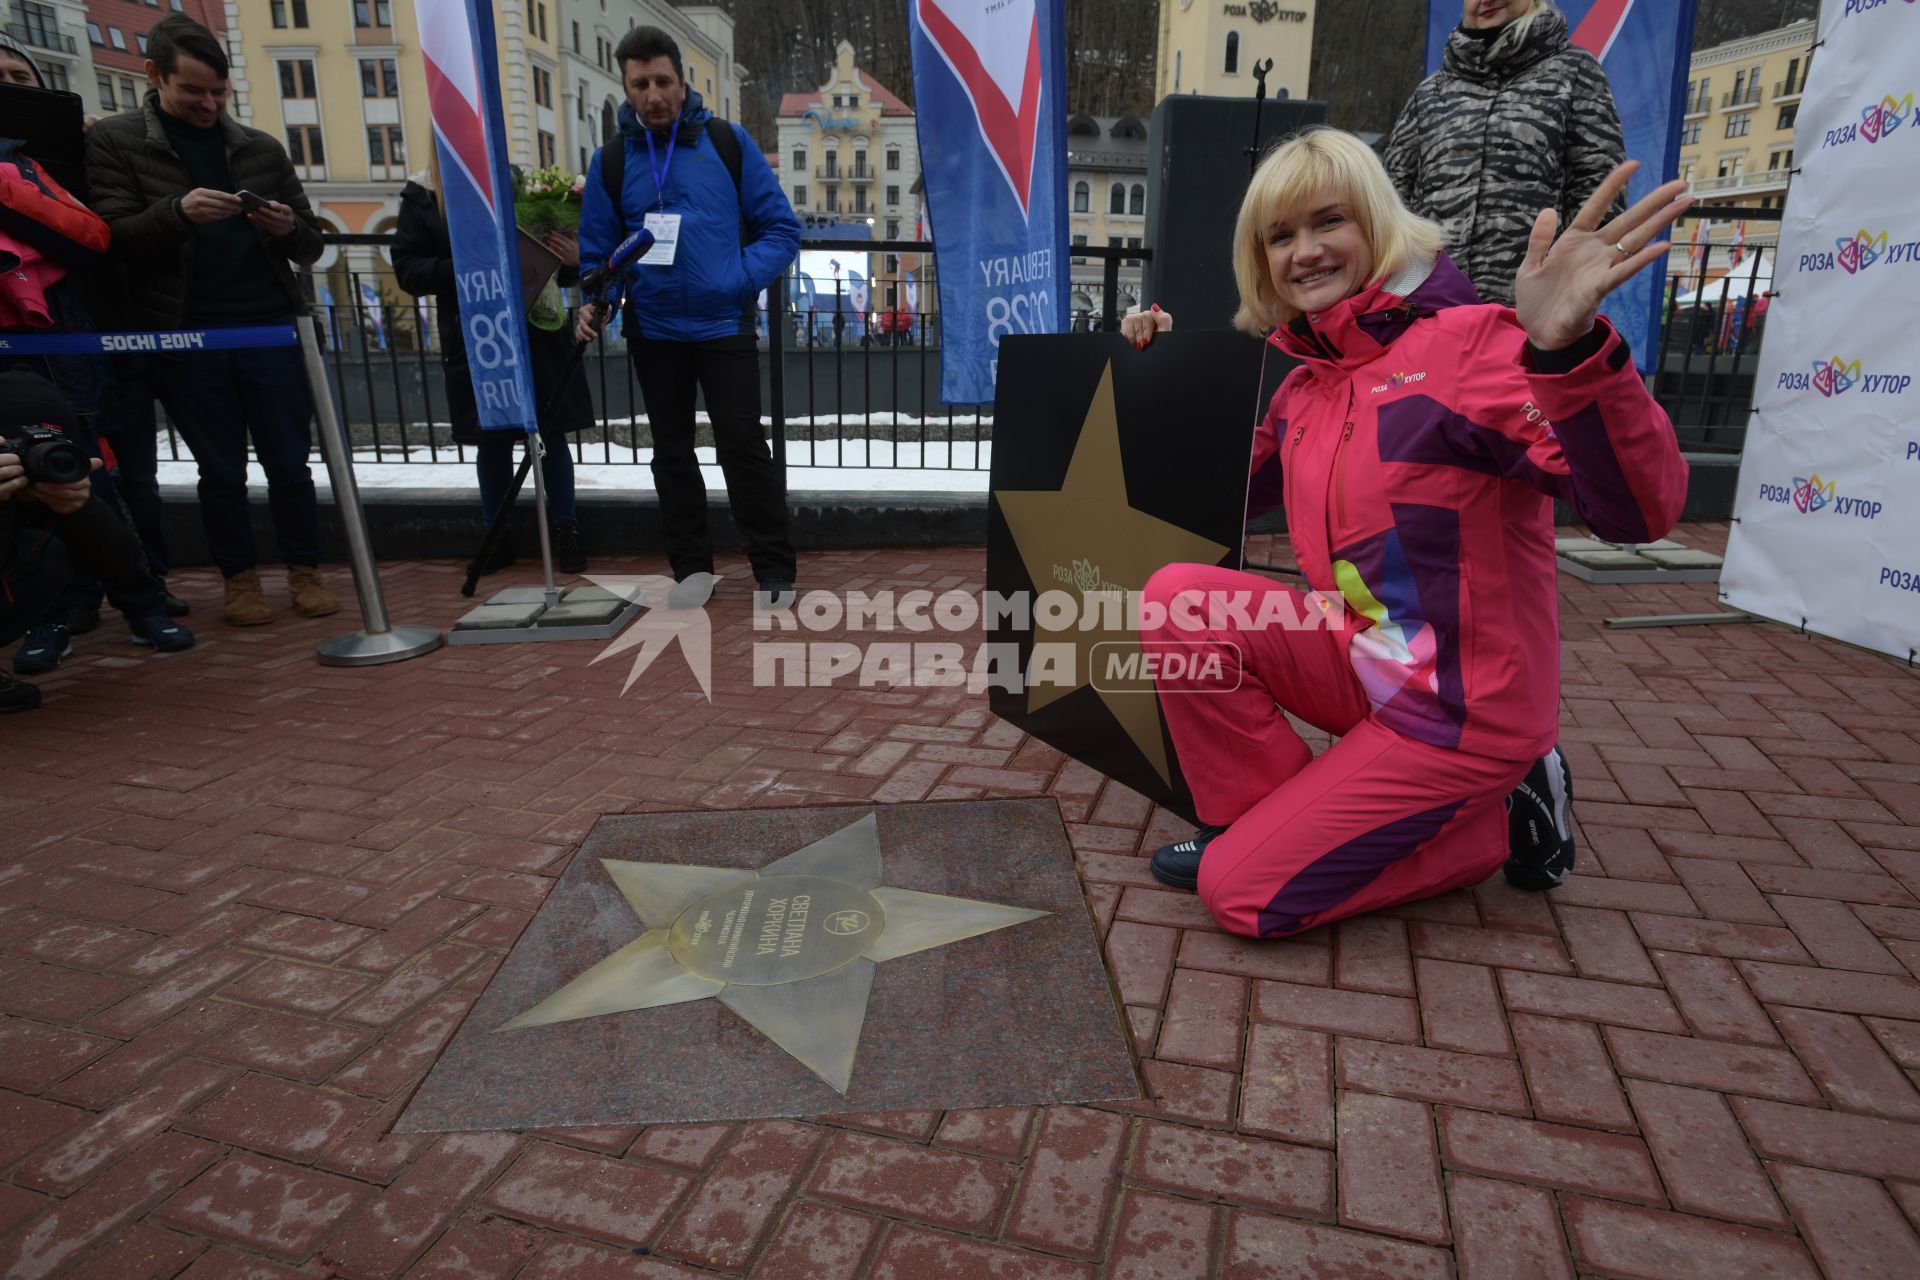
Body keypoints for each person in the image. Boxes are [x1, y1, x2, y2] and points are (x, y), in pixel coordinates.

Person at [1121, 128, 1688, 938]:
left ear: (1380, 224)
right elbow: (1206, 502)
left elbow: (1638, 513)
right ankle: (1253, 826)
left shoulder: (1475, 346)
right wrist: (1161, 378)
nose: (1306, 252)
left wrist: (1569, 353)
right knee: (1181, 599)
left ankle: (1486, 826)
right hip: (1365, 659)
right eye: (1280, 236)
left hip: (1461, 709)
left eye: (1329, 222)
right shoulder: (1306, 383)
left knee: (1239, 894)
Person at [85, 13, 339, 628]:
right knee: (219, 469)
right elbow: (110, 238)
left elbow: (311, 245)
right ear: (155, 76)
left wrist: (286, 228)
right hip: (186, 337)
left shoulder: (260, 148)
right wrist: (178, 212)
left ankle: (305, 570)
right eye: (193, 90)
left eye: (219, 92)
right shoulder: (115, 142)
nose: (208, 104)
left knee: (289, 461)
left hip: (273, 329)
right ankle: (240, 579)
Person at [575, 25, 800, 606]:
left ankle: (773, 570)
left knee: (743, 448)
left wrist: (737, 280)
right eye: (640, 83)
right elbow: (599, 256)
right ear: (625, 87)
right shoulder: (612, 161)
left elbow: (782, 229)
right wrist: (595, 300)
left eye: (663, 81)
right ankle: (693, 571)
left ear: (683, 80)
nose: (654, 95)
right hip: (655, 330)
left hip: (724, 324)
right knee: (671, 453)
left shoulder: (727, 143)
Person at [392, 169, 592, 574]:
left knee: (550, 433)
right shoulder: (425, 194)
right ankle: (494, 537)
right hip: (477, 331)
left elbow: (564, 263)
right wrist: (465, 269)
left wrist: (571, 259)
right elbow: (408, 270)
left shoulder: (518, 181)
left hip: (539, 329)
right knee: (492, 437)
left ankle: (566, 531)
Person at [1384, 0, 1626, 306]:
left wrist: (1568, 284)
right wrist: (1405, 287)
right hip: (1431, 310)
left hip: (1529, 311)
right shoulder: (1431, 93)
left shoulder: (1576, 72)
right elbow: (1390, 200)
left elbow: (1599, 190)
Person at [2, 372, 171, 712]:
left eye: (48, 445)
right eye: (18, 447)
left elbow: (121, 567)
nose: (34, 457)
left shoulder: (52, 488)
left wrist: (81, 509)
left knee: (48, 551)